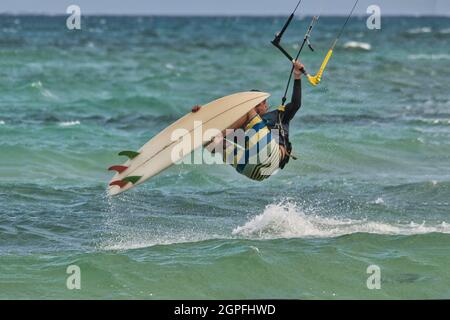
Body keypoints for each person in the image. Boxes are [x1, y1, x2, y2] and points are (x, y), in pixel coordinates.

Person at [192, 60, 304, 181]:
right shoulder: (243, 126)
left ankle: (214, 133)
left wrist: (297, 76)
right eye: (253, 105)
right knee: (212, 144)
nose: (254, 108)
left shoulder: (279, 115)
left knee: (231, 124)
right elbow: (214, 148)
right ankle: (205, 132)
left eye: (257, 104)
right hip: (254, 171)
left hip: (272, 158)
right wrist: (202, 114)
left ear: (265, 105)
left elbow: (296, 104)